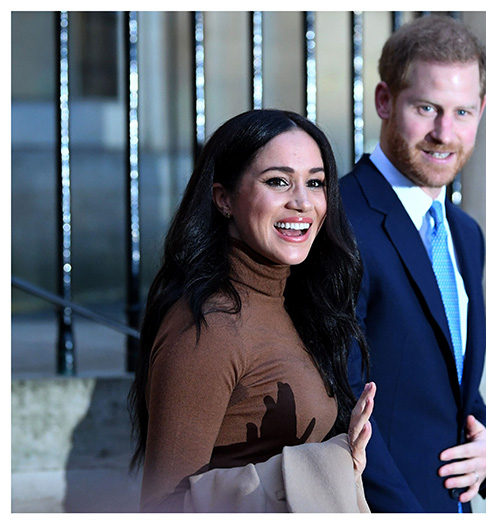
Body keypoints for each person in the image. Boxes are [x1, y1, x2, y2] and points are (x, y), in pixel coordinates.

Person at [128, 109, 375, 512]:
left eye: (315, 183)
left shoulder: (293, 301)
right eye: (277, 181)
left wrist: (338, 465)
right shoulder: (208, 327)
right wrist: (310, 468)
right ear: (223, 198)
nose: (301, 202)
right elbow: (163, 507)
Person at [339, 14, 486, 513]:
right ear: (385, 101)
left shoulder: (464, 233)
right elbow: (338, 395)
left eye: (462, 112)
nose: (444, 133)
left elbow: (450, 376)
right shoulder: (340, 220)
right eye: (426, 108)